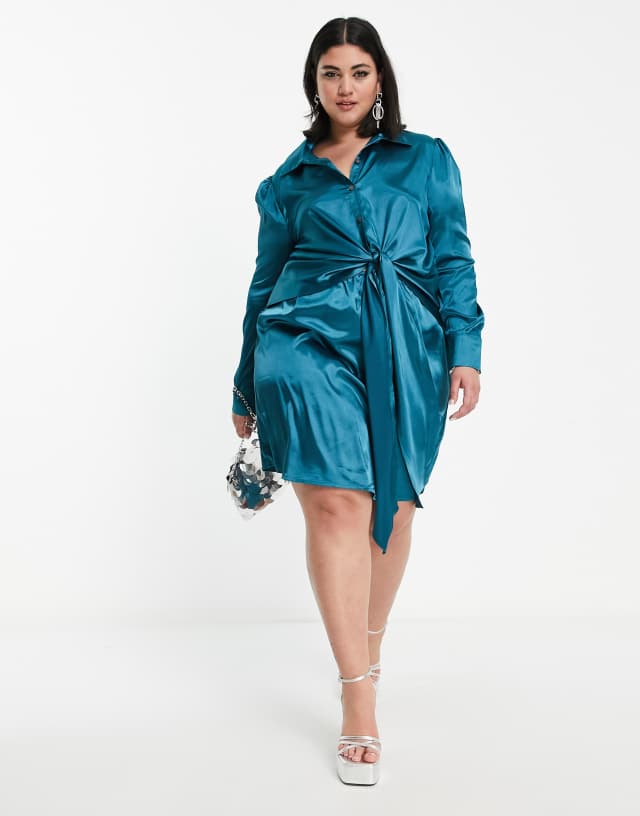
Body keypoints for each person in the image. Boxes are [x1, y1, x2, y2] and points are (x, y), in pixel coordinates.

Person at [230, 16, 484, 785]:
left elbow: (453, 258)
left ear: (380, 80)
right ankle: (356, 695)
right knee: (338, 506)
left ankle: (367, 649)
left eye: (359, 72)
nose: (345, 87)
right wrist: (244, 379)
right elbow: (264, 281)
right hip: (303, 344)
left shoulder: (425, 159)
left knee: (393, 511)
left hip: (407, 344)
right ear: (314, 83)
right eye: (331, 72)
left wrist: (465, 347)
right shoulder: (289, 182)